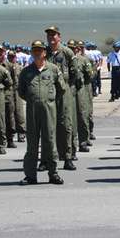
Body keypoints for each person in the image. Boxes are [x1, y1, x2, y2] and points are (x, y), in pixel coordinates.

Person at [18, 40, 66, 185]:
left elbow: (61, 89)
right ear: (32, 53)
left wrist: (48, 101)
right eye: (35, 51)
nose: (37, 53)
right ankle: (31, 175)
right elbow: (22, 92)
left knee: (50, 142)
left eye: (40, 50)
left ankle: (53, 173)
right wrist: (35, 100)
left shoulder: (53, 69)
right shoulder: (26, 72)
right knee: (32, 143)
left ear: (45, 53)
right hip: (32, 111)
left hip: (49, 111)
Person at [45, 26, 78, 171]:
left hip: (64, 93)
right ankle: (46, 159)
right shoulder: (44, 52)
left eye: (54, 35)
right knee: (48, 126)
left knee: (66, 125)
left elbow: (75, 73)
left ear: (59, 36)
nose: (51, 37)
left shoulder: (67, 52)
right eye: (49, 35)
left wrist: (67, 88)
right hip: (49, 93)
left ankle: (68, 158)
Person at [0, 47, 19, 149]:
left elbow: (14, 82)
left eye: (1, 52)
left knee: (9, 118)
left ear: (4, 53)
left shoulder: (9, 65)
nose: (0, 54)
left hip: (7, 96)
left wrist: (12, 95)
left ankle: (10, 139)